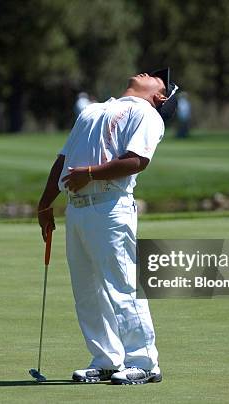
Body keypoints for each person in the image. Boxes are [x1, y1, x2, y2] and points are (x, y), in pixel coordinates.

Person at [37, 68, 178, 385]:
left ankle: (144, 361)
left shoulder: (147, 114)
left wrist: (89, 173)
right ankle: (106, 360)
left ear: (160, 96)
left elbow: (136, 161)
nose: (147, 73)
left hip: (110, 207)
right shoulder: (92, 110)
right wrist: (45, 203)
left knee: (122, 286)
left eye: (157, 78)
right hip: (77, 210)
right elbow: (63, 160)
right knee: (87, 290)